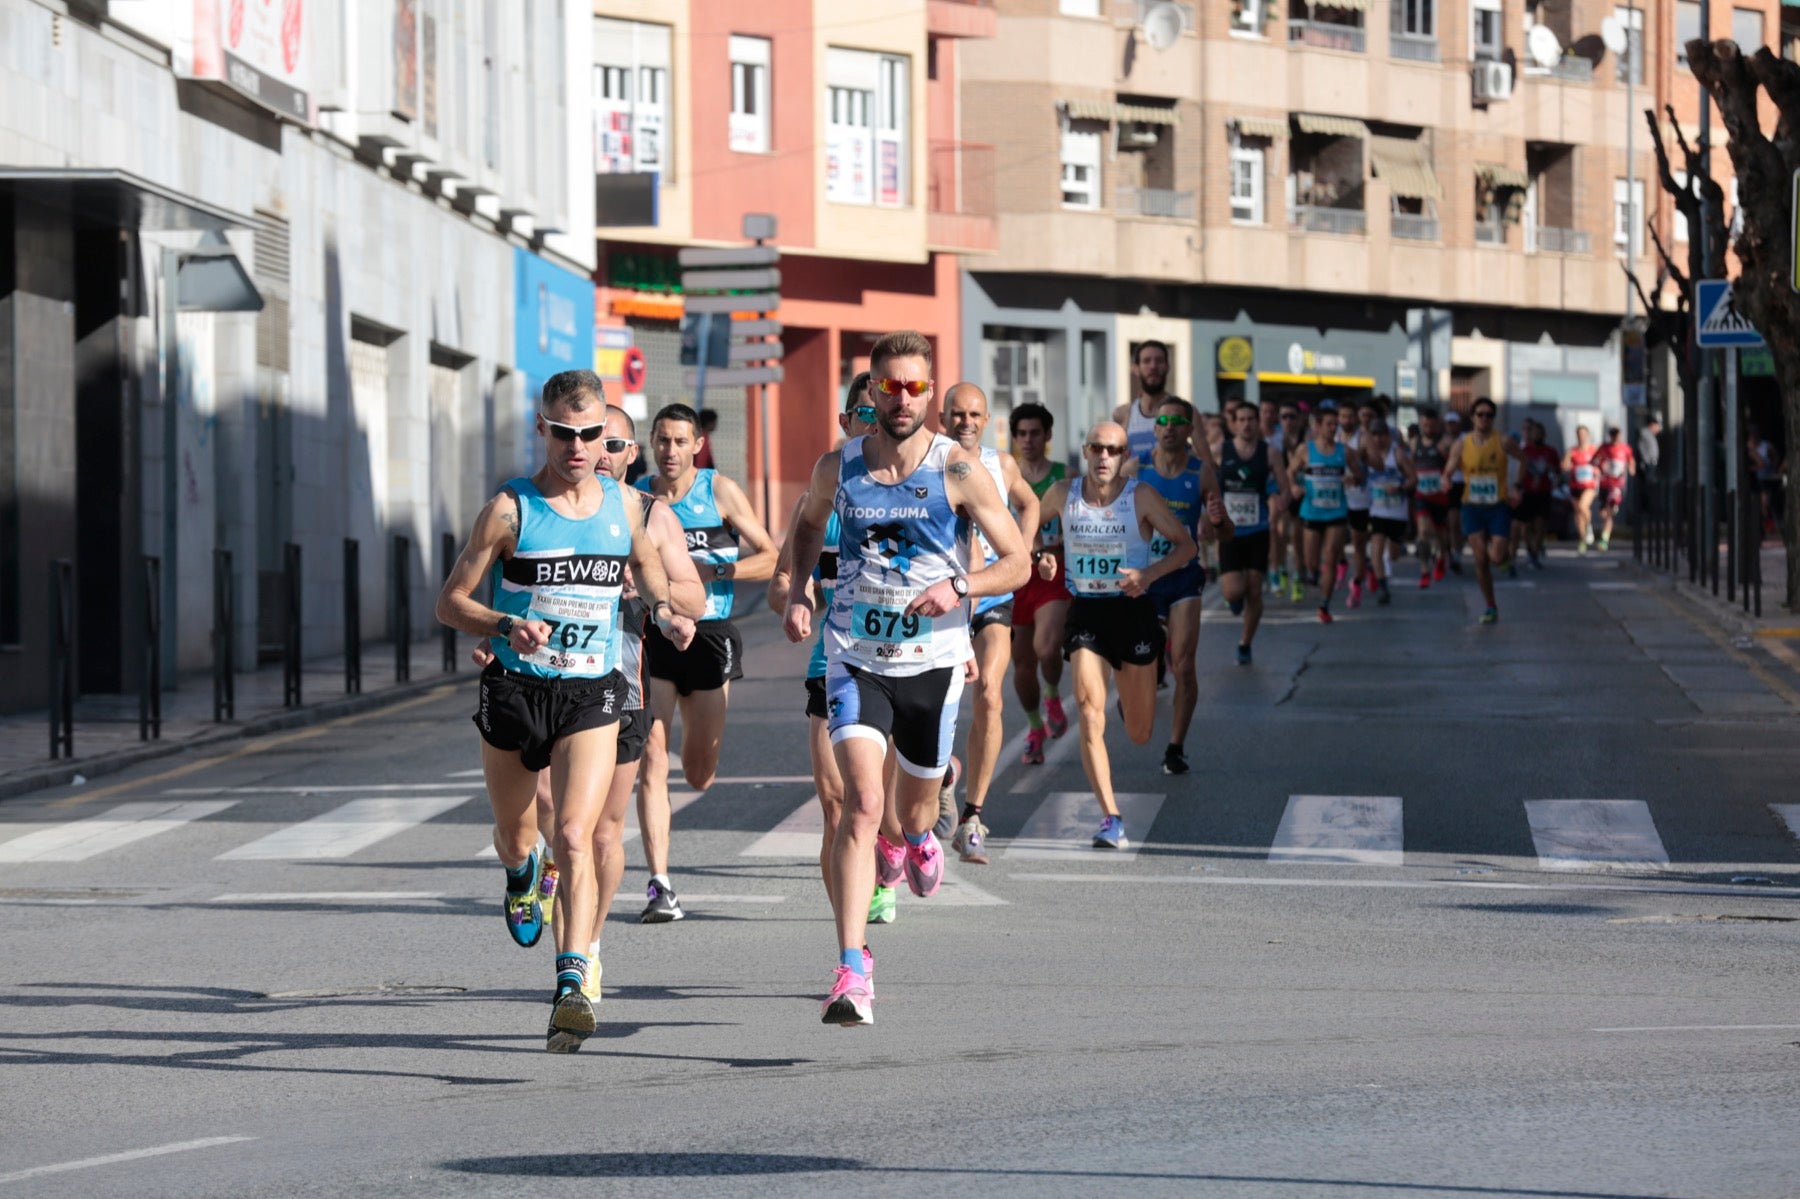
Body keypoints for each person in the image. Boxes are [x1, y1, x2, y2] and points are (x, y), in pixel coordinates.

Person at [783, 330, 1027, 1027]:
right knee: (860, 802)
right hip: (855, 657)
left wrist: (962, 586)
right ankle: (852, 966)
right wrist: (799, 590)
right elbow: (805, 526)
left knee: (912, 811)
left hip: (933, 665)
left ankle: (917, 836)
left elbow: (1015, 558)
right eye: (889, 386)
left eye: (915, 386)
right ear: (871, 389)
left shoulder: (958, 471)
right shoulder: (840, 467)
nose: (902, 398)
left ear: (930, 394)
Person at [435, 369, 679, 1053]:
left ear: (607, 434)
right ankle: (520, 874)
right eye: (564, 433)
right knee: (519, 837)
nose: (577, 447)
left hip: (590, 692)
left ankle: (572, 980)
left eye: (590, 434)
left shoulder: (625, 507)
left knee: (577, 834)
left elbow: (651, 564)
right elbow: (449, 601)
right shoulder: (509, 509)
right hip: (516, 688)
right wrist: (500, 626)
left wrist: (660, 606)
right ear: (542, 430)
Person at [635, 403, 778, 922]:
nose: (670, 451)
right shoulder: (638, 496)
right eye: (662, 441)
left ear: (697, 444)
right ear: (651, 444)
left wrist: (717, 570)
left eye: (680, 441)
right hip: (654, 632)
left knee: (698, 774)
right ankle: (660, 884)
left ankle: (693, 771)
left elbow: (771, 555)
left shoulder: (718, 491)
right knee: (652, 755)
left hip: (711, 635)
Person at [1036, 422, 1202, 848]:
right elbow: (1025, 529)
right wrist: (1043, 558)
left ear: (1123, 454)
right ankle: (1111, 817)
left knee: (1141, 732)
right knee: (1091, 712)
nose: (1104, 457)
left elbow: (1186, 547)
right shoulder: (1062, 494)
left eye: (1113, 450)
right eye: (1096, 448)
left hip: (1133, 614)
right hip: (1087, 613)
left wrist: (1148, 574)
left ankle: (1135, 696)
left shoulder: (1140, 496)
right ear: (1085, 450)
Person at [767, 375, 886, 916]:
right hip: (832, 662)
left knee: (901, 813)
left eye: (880, 414)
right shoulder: (820, 497)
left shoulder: (907, 491)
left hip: (900, 663)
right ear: (845, 423)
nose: (874, 423)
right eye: (863, 414)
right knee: (838, 805)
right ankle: (852, 939)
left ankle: (913, 821)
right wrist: (797, 599)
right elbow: (780, 580)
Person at [940, 382, 1039, 863]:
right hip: (939, 601)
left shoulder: (1002, 465)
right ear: (943, 418)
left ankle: (972, 817)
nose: (966, 422)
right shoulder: (931, 463)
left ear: (986, 421)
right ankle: (940, 773)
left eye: (975, 414)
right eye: (957, 414)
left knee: (991, 694)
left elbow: (1031, 502)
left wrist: (1023, 551)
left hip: (991, 597)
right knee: (931, 703)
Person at [1132, 397, 1224, 775]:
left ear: (1189, 431)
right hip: (1145, 576)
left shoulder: (1202, 473)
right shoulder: (1135, 469)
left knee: (1184, 664)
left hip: (1184, 575)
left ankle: (1175, 747)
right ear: (1155, 429)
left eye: (1177, 422)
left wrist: (1219, 522)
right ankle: (1144, 681)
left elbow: (1225, 532)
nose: (1169, 427)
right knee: (1146, 659)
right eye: (1163, 421)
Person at [1008, 402, 1072, 765]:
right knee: (1022, 664)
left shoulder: (1065, 476)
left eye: (1035, 433)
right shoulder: (1003, 477)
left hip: (1054, 568)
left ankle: (1052, 695)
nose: (1028, 440)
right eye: (1022, 434)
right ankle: (1035, 727)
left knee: (1048, 648)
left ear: (1047, 436)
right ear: (1014, 438)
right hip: (1016, 574)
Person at [1218, 399, 1288, 664]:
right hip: (1230, 531)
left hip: (1258, 529)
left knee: (1256, 591)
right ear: (1233, 424)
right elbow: (1202, 479)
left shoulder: (1269, 453)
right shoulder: (1220, 451)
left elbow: (1286, 488)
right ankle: (1236, 599)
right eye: (1242, 419)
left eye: (1251, 419)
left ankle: (1245, 643)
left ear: (1259, 423)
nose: (1247, 424)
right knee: (1233, 592)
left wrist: (1283, 501)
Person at [1443, 397, 1522, 624]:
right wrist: (1446, 478)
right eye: (1480, 414)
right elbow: (1449, 467)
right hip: (1472, 506)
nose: (1484, 419)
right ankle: (1490, 605)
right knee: (1479, 558)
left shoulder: (1504, 441)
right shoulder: (1461, 443)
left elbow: (1523, 459)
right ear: (1472, 417)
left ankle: (1503, 557)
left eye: (1489, 415)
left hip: (1498, 505)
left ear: (1493, 418)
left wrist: (1517, 485)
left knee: (1496, 557)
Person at [1288, 401, 1363, 624]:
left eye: (1336, 424)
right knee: (1313, 563)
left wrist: (1353, 478)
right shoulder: (1305, 449)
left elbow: (1360, 476)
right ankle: (1314, 573)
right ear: (1318, 425)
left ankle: (1324, 604)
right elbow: (1290, 472)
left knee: (1330, 556)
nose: (1334, 428)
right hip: (1312, 512)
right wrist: (1293, 486)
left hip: (1337, 512)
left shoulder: (1345, 451)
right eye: (1330, 424)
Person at [1114, 340, 1216, 471]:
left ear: (1168, 367)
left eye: (1159, 361)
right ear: (1135, 369)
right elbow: (1115, 462)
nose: (1153, 366)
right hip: (1135, 489)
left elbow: (1207, 463)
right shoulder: (1122, 414)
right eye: (1146, 361)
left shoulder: (1186, 411)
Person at [1358, 418, 1415, 606]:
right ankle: (1384, 588)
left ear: (1388, 436)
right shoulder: (1368, 456)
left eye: (1381, 435)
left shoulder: (1397, 454)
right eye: (1374, 435)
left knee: (1394, 554)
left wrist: (1399, 488)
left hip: (1397, 512)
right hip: (1377, 510)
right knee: (1376, 549)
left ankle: (1382, 569)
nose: (1378, 439)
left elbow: (1413, 479)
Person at [1411, 407, 1453, 586]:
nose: (1427, 428)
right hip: (1421, 494)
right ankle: (1424, 571)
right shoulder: (1414, 443)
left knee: (1441, 535)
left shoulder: (1445, 442)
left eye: (1430, 424)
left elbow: (1455, 463)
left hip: (1439, 496)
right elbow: (1411, 464)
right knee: (1423, 532)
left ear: (1437, 425)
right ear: (1421, 424)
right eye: (1424, 424)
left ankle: (1441, 557)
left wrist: (1447, 476)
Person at [1514, 420, 1560, 568]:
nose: (1537, 436)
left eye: (1540, 433)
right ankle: (1528, 549)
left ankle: (1535, 552)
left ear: (1544, 435)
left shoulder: (1550, 452)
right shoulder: (1525, 451)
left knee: (1541, 525)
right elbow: (1519, 470)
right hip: (1528, 492)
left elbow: (1557, 471)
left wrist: (1553, 475)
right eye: (1534, 433)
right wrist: (1518, 485)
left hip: (1544, 492)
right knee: (1525, 525)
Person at [1593, 426, 1636, 551]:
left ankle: (1604, 539)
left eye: (1617, 435)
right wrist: (1600, 466)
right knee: (1603, 513)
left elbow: (1631, 460)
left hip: (1617, 485)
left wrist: (1631, 468)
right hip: (1604, 483)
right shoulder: (1604, 448)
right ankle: (1607, 524)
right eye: (1613, 435)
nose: (1615, 437)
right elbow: (1594, 461)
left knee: (1609, 512)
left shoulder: (1625, 449)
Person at [1564, 424, 1600, 552]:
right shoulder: (1572, 451)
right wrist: (1567, 464)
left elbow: (1601, 464)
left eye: (1584, 434)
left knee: (1583, 507)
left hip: (1589, 485)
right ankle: (1582, 539)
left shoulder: (1593, 450)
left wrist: (1597, 469)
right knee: (1578, 514)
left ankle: (1589, 527)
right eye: (1579, 434)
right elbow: (1564, 466)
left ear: (1587, 435)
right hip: (1575, 485)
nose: (1582, 437)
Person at [1636, 413, 1662, 518]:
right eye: (1657, 426)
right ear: (1652, 425)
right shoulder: (1645, 434)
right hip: (1647, 465)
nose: (1658, 429)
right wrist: (1648, 461)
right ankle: (1647, 510)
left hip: (1651, 464)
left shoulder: (1651, 435)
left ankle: (1651, 509)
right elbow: (1641, 449)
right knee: (1647, 488)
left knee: (1651, 487)